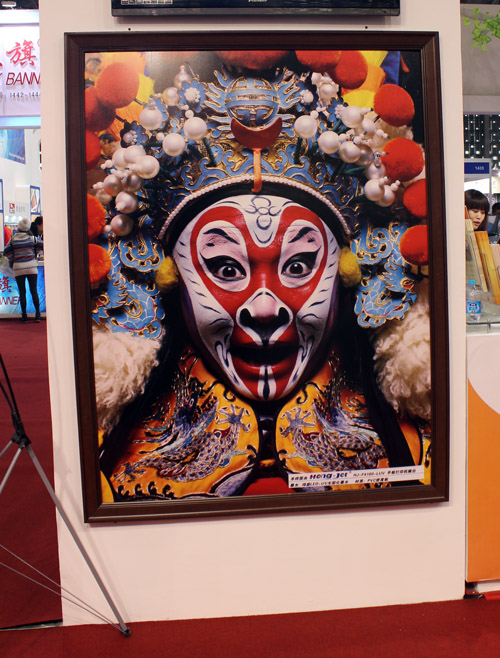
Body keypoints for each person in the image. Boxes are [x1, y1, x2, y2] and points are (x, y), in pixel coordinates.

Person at [4, 217, 42, 322]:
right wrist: (35, 253)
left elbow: (6, 252)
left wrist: (13, 260)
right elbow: (43, 245)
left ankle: (24, 316)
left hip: (19, 268)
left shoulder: (13, 239)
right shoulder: (32, 238)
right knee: (34, 291)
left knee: (22, 292)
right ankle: (37, 315)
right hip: (32, 268)